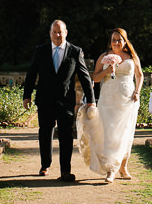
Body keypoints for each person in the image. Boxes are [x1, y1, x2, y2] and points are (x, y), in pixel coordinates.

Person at [23, 20, 95, 183]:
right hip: (44, 99)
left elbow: (85, 77)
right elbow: (31, 74)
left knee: (66, 136)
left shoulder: (75, 51)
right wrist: (26, 95)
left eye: (60, 32)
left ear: (66, 33)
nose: (57, 35)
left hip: (66, 101)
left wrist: (91, 99)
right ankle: (45, 165)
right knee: (45, 132)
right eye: (54, 32)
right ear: (50, 33)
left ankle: (65, 170)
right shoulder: (40, 51)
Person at [77, 28, 143, 183]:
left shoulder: (132, 57)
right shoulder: (104, 57)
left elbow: (139, 75)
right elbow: (95, 78)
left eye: (119, 39)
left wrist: (137, 92)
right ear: (110, 42)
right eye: (114, 40)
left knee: (125, 133)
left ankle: (123, 167)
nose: (116, 43)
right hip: (108, 101)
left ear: (125, 41)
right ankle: (110, 169)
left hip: (127, 100)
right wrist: (107, 71)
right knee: (109, 133)